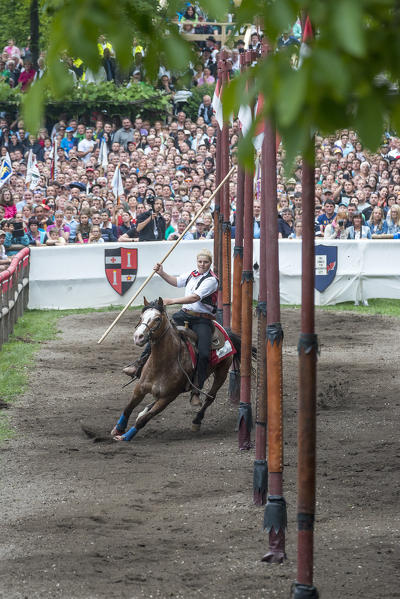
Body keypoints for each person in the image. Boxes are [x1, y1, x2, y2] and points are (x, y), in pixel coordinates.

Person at [123, 249, 218, 408]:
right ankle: (139, 364)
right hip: (184, 314)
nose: (202, 265)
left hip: (202, 320)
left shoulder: (212, 280)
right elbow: (176, 281)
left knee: (204, 353)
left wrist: (172, 300)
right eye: (200, 262)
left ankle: (196, 390)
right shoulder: (191, 274)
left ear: (210, 263)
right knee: (158, 334)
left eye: (205, 262)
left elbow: (195, 297)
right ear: (197, 261)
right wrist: (162, 273)